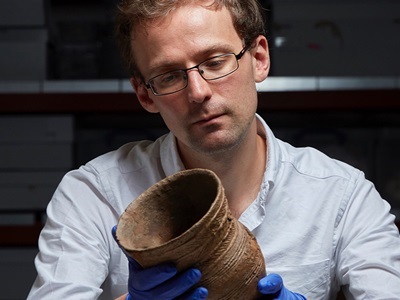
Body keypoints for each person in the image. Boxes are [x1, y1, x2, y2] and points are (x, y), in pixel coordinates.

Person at [28, 0, 400, 299]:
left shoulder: (343, 195)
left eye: (215, 62)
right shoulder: (93, 194)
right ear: (145, 94)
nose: (199, 92)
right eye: (169, 75)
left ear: (259, 58)